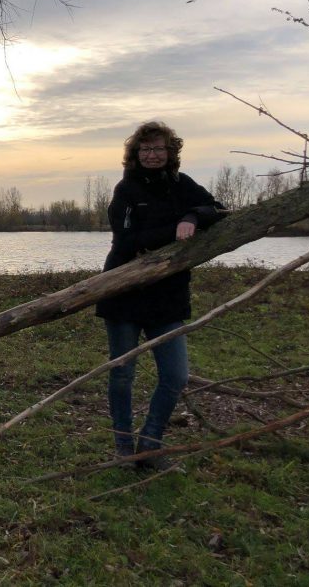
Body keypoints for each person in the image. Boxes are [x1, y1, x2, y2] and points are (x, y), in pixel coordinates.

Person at [95, 121, 225, 470]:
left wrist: (192, 215)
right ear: (136, 154)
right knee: (122, 373)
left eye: (159, 149)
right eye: (146, 149)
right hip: (124, 291)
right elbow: (127, 242)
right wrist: (175, 230)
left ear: (170, 152)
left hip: (167, 296)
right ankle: (124, 449)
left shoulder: (182, 186)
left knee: (176, 375)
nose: (152, 155)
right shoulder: (126, 190)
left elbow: (219, 209)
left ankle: (150, 446)